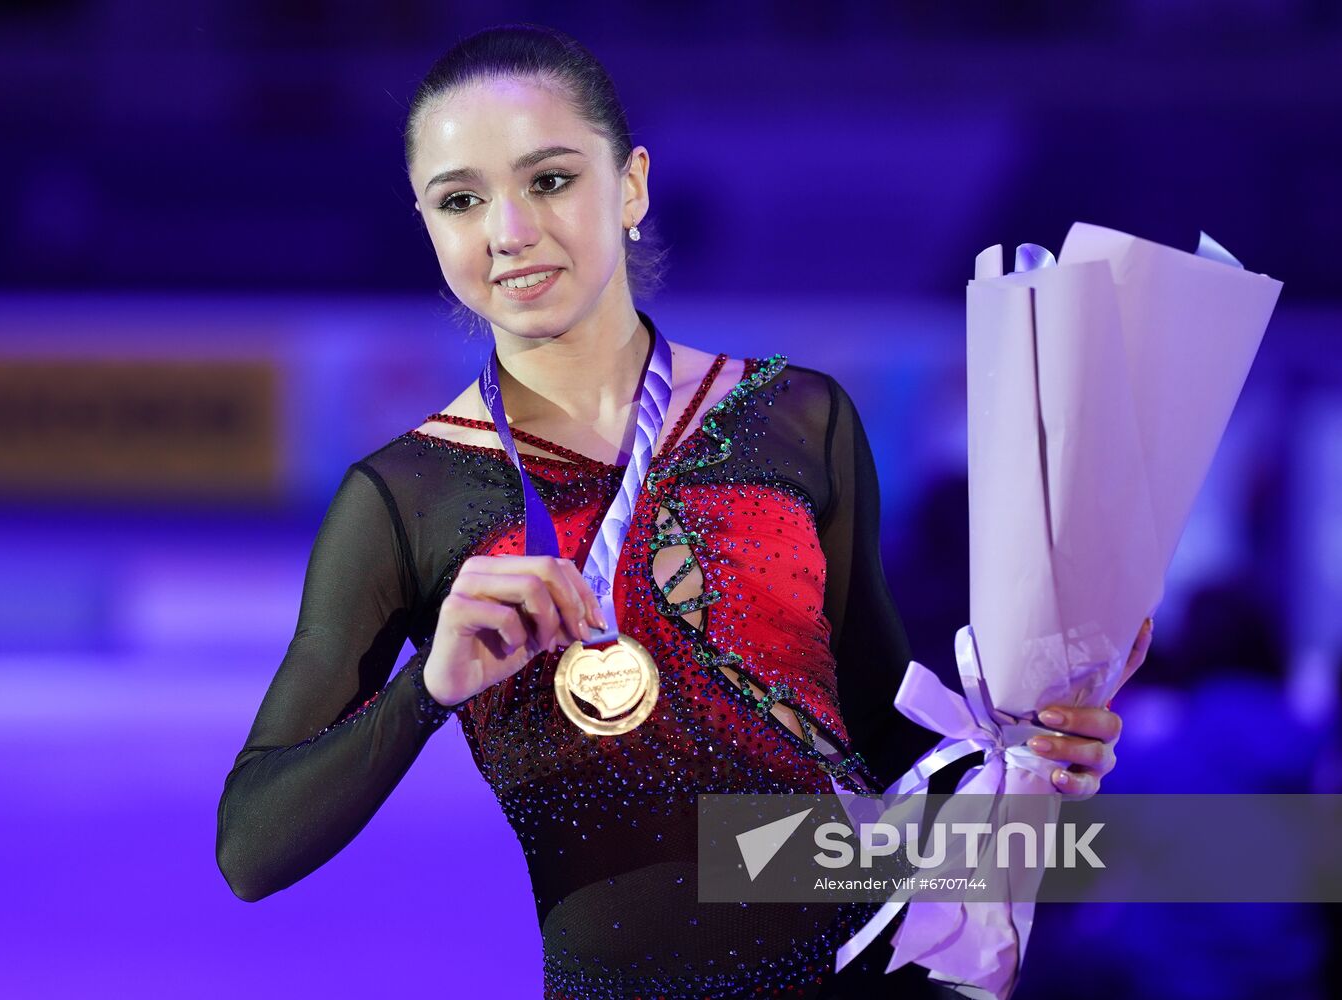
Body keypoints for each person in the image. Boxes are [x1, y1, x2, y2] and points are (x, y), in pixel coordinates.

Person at [214, 24, 1142, 999]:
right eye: (461, 200)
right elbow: (249, 850)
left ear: (632, 186)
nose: (509, 231)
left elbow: (877, 749)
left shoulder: (796, 419)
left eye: (550, 180)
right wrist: (424, 693)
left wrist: (1031, 754)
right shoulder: (408, 498)